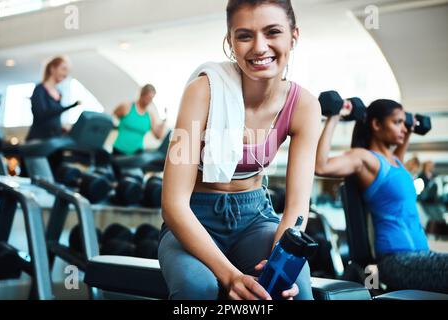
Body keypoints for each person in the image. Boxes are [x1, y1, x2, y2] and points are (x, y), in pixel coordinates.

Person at [159, 0, 321, 300]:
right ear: (230, 42)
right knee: (198, 288)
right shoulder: (202, 91)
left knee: (293, 288)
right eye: (245, 35)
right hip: (194, 218)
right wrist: (230, 276)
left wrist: (280, 261)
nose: (259, 47)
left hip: (256, 217)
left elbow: (297, 207)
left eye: (272, 32)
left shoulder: (305, 106)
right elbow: (173, 205)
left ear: (293, 36)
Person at [315, 99, 448, 293]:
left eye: (404, 122)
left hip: (421, 256)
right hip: (398, 260)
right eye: (397, 122)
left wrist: (409, 129)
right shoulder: (366, 158)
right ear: (376, 124)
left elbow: (396, 176)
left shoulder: (395, 162)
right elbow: (321, 166)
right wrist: (333, 117)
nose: (402, 128)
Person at [26, 56, 80, 141]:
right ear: (52, 69)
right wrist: (71, 106)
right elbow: (42, 115)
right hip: (39, 140)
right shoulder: (39, 90)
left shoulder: (59, 93)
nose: (66, 74)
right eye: (63, 69)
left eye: (68, 71)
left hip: (54, 139)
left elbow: (54, 117)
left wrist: (61, 127)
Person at [112, 84, 167, 156]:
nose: (149, 101)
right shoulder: (126, 107)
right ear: (142, 94)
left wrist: (164, 120)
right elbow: (111, 118)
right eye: (148, 98)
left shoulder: (150, 116)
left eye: (151, 99)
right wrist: (117, 127)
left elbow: (158, 136)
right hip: (118, 151)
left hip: (136, 153)